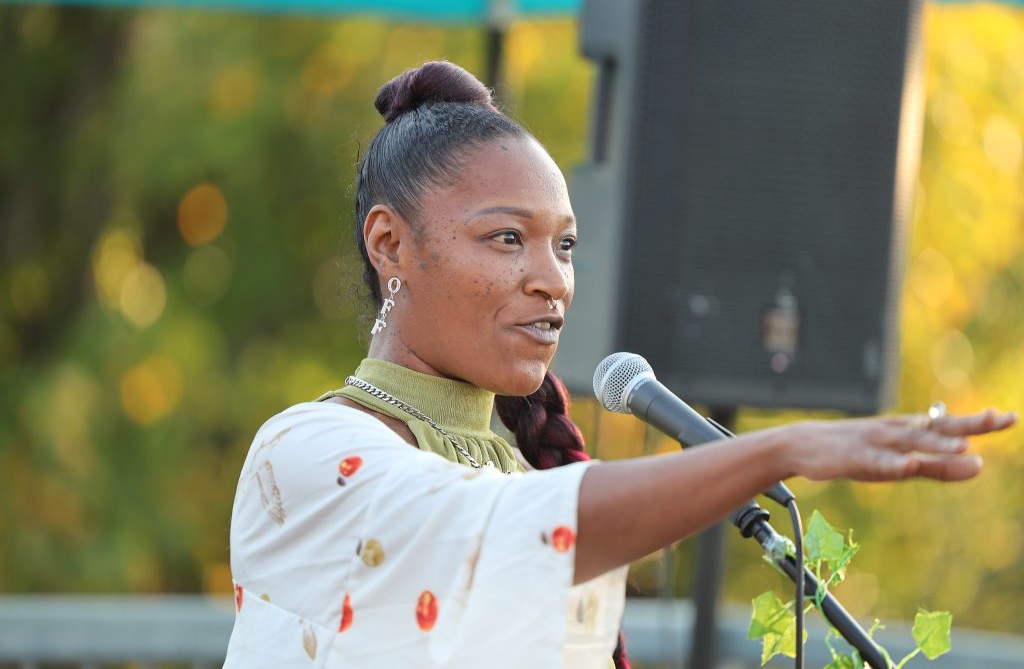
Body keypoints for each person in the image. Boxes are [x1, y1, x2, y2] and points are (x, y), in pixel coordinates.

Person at [222, 60, 1015, 669]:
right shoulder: (303, 455)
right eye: (508, 238)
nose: (553, 278)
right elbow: (495, 529)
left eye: (564, 244)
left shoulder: (520, 466)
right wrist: (776, 450)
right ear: (390, 244)